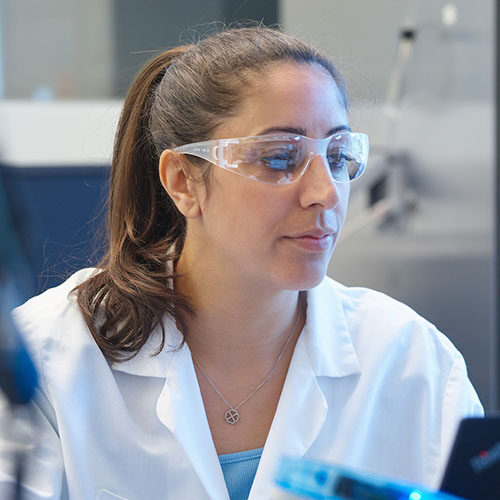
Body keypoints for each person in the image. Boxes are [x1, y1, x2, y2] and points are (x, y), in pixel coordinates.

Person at [0, 26, 482, 500]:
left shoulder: (414, 363)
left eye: (337, 156)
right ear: (183, 182)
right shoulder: (49, 359)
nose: (325, 193)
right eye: (278, 158)